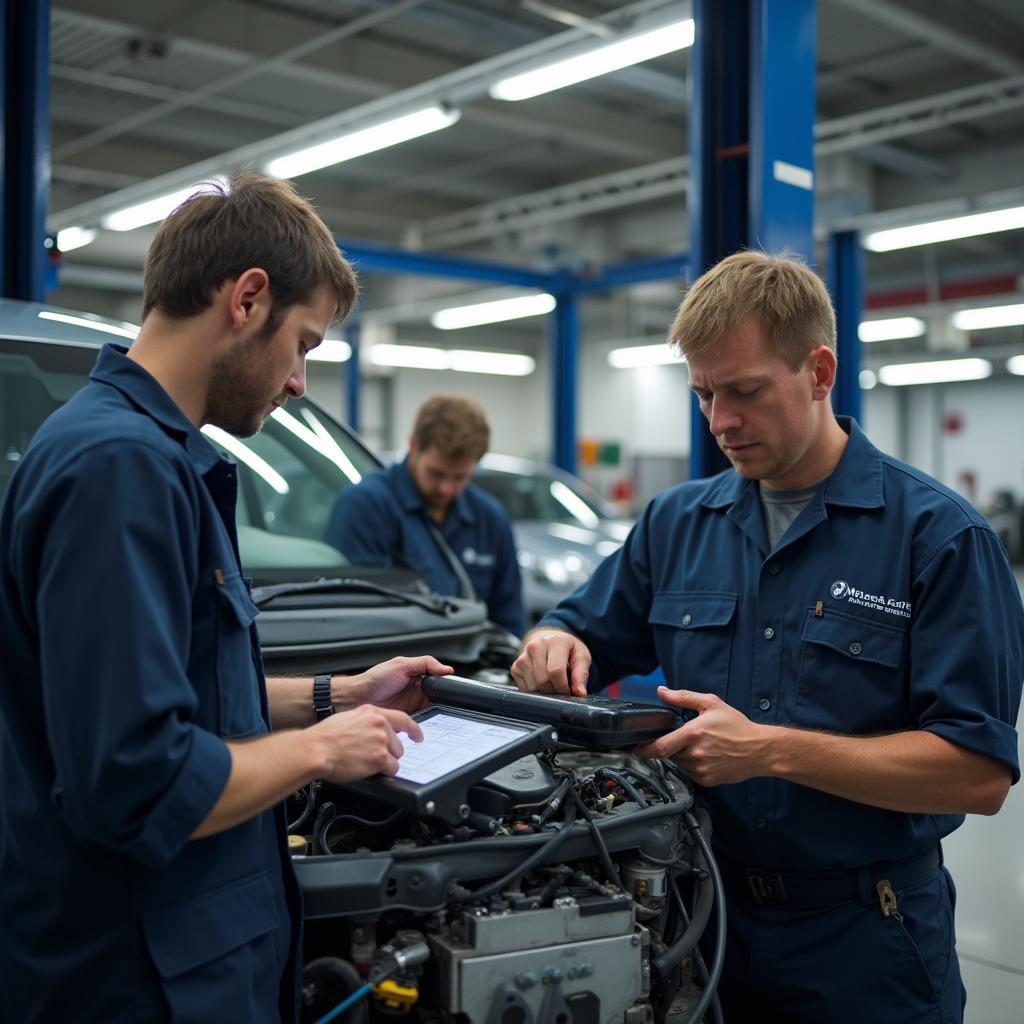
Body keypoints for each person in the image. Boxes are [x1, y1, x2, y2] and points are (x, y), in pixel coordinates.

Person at [511, 250, 1023, 1023]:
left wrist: (772, 750)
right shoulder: (677, 523)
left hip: (865, 938)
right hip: (700, 919)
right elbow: (586, 627)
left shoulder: (939, 538)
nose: (720, 422)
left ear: (818, 372)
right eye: (704, 394)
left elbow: (977, 773)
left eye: (744, 391)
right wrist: (552, 637)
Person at [0, 172, 453, 1023]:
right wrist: (324, 750)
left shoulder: (142, 454)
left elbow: (177, 689)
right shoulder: (120, 470)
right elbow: (135, 783)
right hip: (136, 977)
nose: (298, 384)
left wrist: (338, 696)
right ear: (247, 299)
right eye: (306, 346)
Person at [326, 393, 525, 635]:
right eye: (436, 473)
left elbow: (509, 617)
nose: (446, 488)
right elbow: (355, 615)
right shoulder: (366, 506)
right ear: (413, 446)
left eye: (459, 477)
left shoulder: (490, 519)